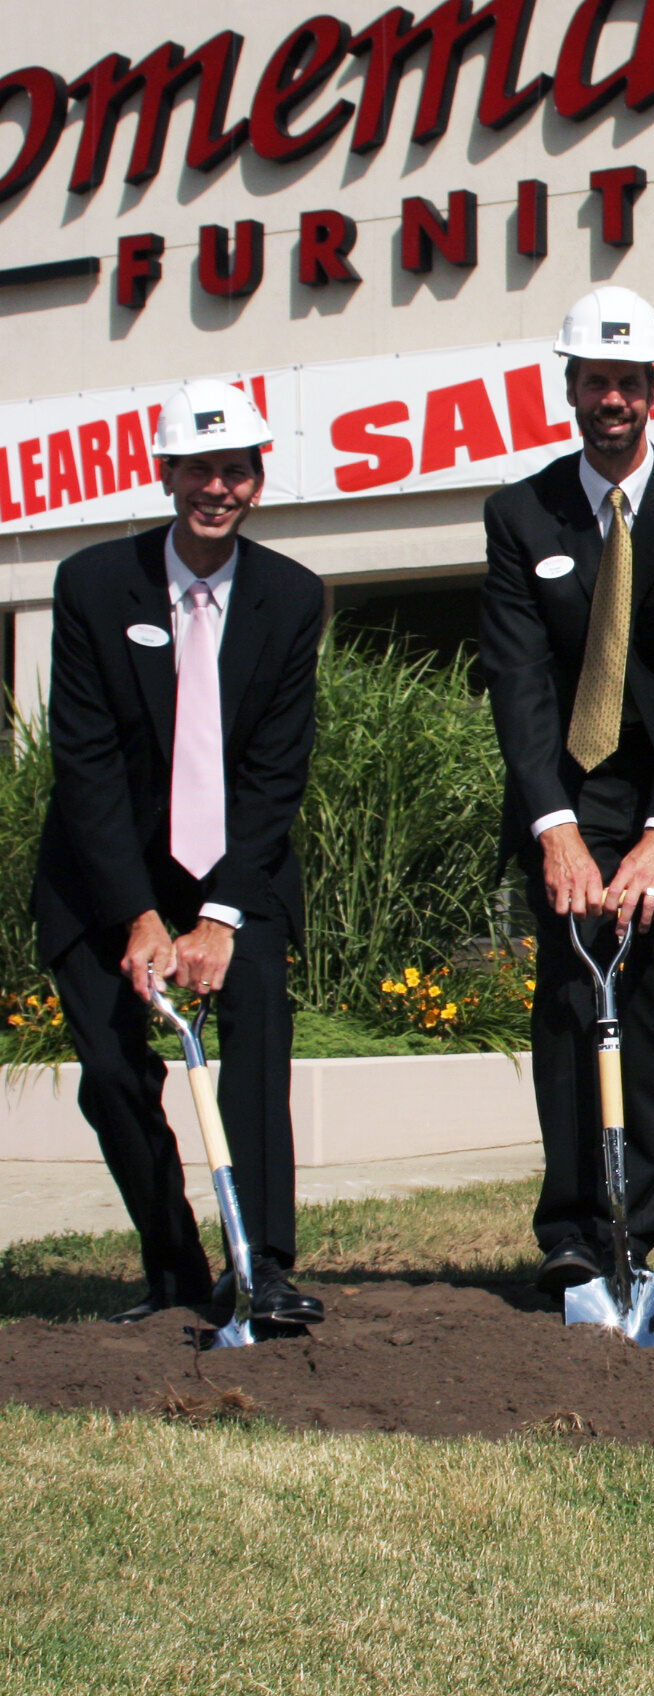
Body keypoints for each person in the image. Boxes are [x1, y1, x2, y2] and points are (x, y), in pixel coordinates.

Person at [480, 287, 654, 1296]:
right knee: (569, 1005)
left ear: (653, 390)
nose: (612, 399)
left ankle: (634, 1231)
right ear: (571, 388)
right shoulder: (520, 515)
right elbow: (516, 679)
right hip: (571, 790)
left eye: (628, 382)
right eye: (595, 380)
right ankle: (569, 1230)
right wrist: (556, 828)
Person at [33, 381, 326, 1325]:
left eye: (235, 471)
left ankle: (265, 1268)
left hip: (236, 874)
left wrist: (219, 918)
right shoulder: (90, 585)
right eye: (199, 469)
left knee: (257, 1048)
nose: (217, 488)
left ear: (256, 481)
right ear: (165, 475)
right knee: (116, 1075)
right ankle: (173, 1271)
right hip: (102, 873)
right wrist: (140, 917)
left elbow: (276, 775)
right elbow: (82, 765)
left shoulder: (289, 596)